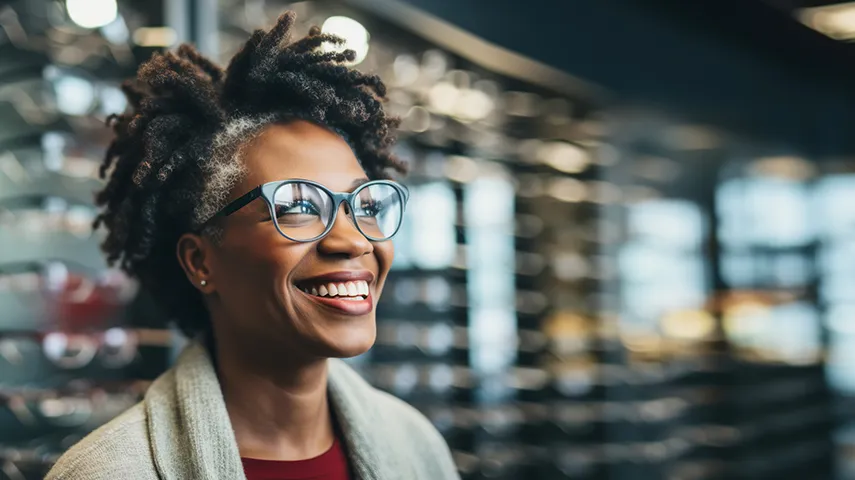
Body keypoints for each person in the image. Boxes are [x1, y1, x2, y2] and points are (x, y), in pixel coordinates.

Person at [46, 11, 459, 480]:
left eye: (363, 206)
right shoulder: (109, 472)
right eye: (297, 206)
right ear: (201, 261)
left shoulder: (417, 447)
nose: (352, 240)